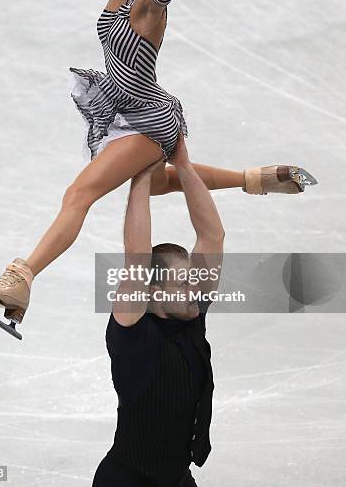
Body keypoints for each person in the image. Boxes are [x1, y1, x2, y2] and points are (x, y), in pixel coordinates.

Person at [0, 0, 317, 339]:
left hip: (149, 120)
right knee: (156, 183)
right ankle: (256, 178)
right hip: (121, 111)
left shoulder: (148, 0)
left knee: (79, 192)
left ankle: (22, 278)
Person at [93, 134, 222, 487]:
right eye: (182, 284)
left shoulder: (191, 317)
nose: (195, 289)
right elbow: (136, 254)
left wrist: (182, 163)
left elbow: (212, 236)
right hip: (127, 480)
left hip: (177, 479)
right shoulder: (134, 334)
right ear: (152, 294)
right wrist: (141, 175)